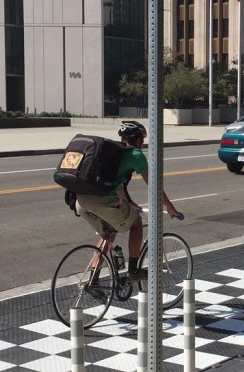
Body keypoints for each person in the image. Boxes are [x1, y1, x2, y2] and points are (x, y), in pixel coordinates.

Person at [74, 120, 181, 283]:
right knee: (136, 223)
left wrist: (131, 204)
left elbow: (118, 186)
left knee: (108, 234)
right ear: (138, 139)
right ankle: (133, 271)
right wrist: (170, 207)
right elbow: (154, 185)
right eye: (142, 140)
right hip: (101, 202)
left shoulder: (114, 154)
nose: (142, 143)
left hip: (81, 201)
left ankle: (93, 281)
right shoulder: (135, 155)